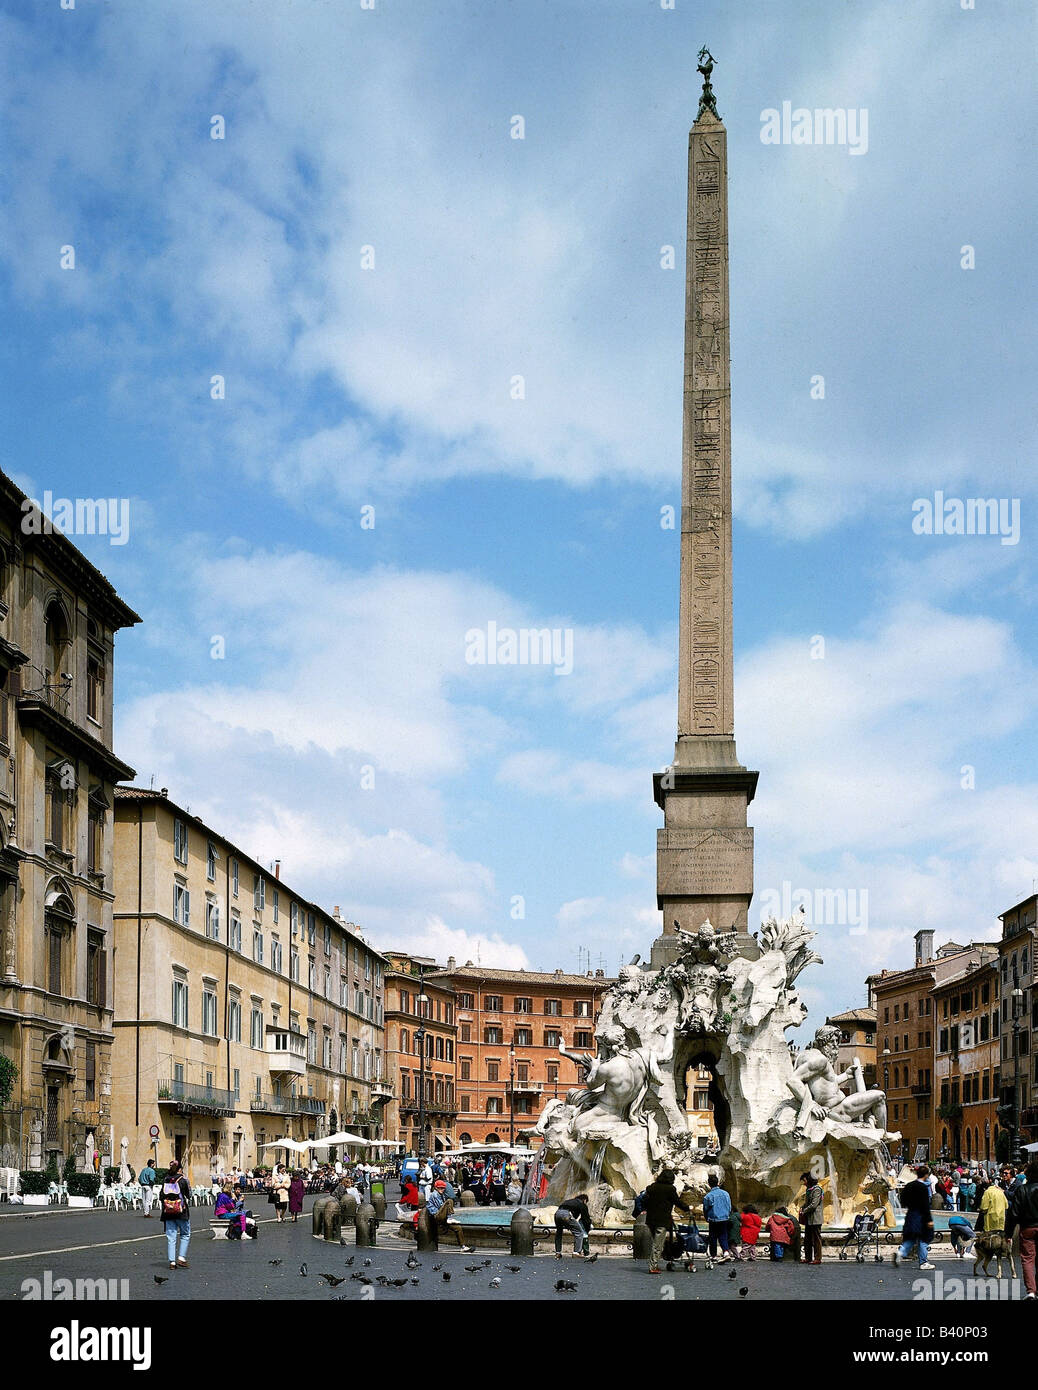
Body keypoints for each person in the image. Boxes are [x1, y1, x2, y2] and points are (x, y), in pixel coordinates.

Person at [1006, 1159, 1038, 1301]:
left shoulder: (1022, 1190)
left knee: (1028, 1259)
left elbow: (1013, 1214)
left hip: (1027, 1228)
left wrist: (1008, 1233)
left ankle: (1031, 1291)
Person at [893, 1165, 936, 1271]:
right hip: (921, 1216)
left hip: (911, 1214)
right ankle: (923, 1262)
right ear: (926, 1175)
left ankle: (900, 1252)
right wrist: (929, 1220)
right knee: (923, 1239)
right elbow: (925, 1205)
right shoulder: (923, 1188)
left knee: (911, 1238)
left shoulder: (909, 1185)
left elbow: (902, 1200)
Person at [159, 1160, 192, 1270]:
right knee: (185, 1234)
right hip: (181, 1211)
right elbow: (189, 1195)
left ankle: (172, 1262)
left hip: (168, 1212)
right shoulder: (183, 1180)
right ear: (180, 1169)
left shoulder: (165, 1179)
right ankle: (181, 1258)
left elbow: (161, 1196)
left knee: (171, 1237)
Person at [425, 1179, 474, 1252]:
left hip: (442, 1216)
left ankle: (463, 1246)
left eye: (443, 1188)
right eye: (440, 1188)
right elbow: (440, 1206)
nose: (442, 1189)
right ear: (436, 1188)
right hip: (436, 1216)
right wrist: (448, 1209)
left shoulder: (441, 1195)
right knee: (449, 1201)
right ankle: (450, 1218)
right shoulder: (434, 1194)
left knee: (458, 1228)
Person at [702, 1172, 733, 1262]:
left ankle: (713, 1256)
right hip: (724, 1218)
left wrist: (706, 1217)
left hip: (714, 1219)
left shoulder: (708, 1196)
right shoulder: (726, 1194)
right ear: (718, 1183)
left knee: (713, 1237)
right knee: (723, 1235)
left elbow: (705, 1208)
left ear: (709, 1184)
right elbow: (729, 1206)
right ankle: (726, 1252)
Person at [554, 1192, 594, 1260]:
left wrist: (569, 1225)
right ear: (584, 1200)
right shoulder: (581, 1204)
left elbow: (574, 1217)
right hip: (566, 1215)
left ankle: (558, 1252)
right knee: (579, 1232)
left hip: (557, 1214)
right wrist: (588, 1227)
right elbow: (585, 1218)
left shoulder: (569, 1201)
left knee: (559, 1233)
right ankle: (576, 1252)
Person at [799, 1173, 824, 1265]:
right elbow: (808, 1203)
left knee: (816, 1239)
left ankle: (817, 1258)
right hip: (809, 1218)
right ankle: (808, 1257)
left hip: (815, 1218)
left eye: (805, 1181)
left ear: (809, 1180)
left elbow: (814, 1204)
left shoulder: (817, 1189)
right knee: (807, 1239)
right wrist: (802, 1207)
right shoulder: (809, 1190)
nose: (804, 1183)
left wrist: (804, 1211)